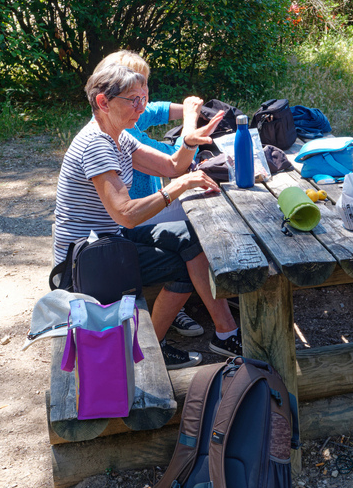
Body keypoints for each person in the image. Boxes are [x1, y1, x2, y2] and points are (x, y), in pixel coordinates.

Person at [53, 64, 239, 369]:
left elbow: (171, 167)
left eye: (145, 98)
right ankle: (150, 348)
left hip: (109, 240)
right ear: (103, 102)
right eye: (133, 100)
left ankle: (193, 335)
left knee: (191, 237)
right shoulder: (96, 144)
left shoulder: (118, 135)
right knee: (181, 266)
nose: (142, 108)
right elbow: (126, 215)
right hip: (83, 260)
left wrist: (189, 141)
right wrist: (177, 188)